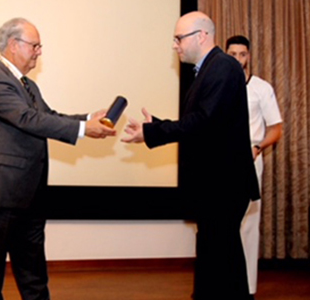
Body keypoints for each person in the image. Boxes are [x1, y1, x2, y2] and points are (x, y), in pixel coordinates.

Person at [0, 17, 116, 300]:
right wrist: (85, 130)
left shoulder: (26, 85)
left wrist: (88, 119)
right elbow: (28, 119)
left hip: (30, 197)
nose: (39, 51)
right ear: (14, 45)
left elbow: (47, 118)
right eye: (34, 45)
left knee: (34, 277)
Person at [121, 11, 259, 300]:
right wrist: (155, 127)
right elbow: (200, 122)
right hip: (217, 184)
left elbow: (203, 122)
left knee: (220, 256)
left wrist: (152, 133)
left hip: (224, 184)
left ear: (201, 36)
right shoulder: (209, 69)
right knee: (218, 255)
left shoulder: (222, 68)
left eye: (178, 38)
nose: (175, 45)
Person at [226, 35, 283, 298]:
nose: (238, 59)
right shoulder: (219, 85)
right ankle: (219, 284)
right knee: (219, 225)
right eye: (232, 54)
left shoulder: (261, 88)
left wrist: (257, 148)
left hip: (250, 160)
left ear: (249, 57)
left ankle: (247, 289)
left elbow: (276, 128)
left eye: (242, 54)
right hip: (219, 161)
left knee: (247, 225)